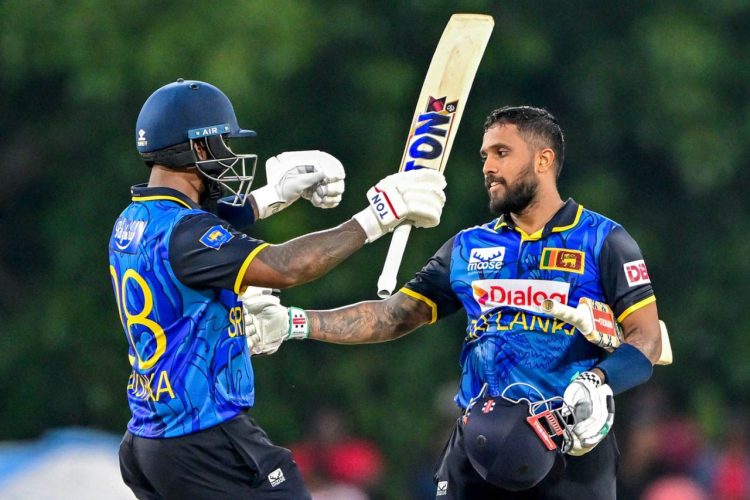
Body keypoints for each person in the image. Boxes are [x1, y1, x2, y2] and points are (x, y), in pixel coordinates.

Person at [245, 106, 664, 499]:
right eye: (485, 156)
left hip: (570, 447)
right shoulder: (467, 247)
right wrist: (292, 323)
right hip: (478, 445)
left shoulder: (603, 240)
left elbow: (646, 341)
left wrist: (600, 382)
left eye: (502, 153)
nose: (488, 168)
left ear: (543, 160)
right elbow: (393, 316)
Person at [108, 78, 447, 499]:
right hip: (202, 436)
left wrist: (270, 197)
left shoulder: (132, 221)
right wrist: (379, 216)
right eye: (221, 144)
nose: (228, 156)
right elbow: (287, 268)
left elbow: (204, 233)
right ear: (197, 149)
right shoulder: (187, 233)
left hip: (148, 442)